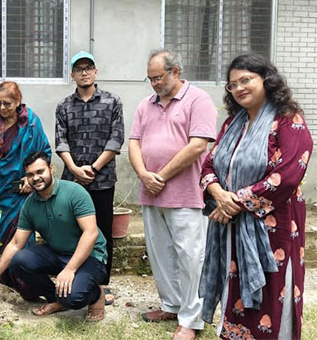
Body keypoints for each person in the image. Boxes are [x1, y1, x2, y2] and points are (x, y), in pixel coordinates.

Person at [199, 54, 312, 340]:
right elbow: (209, 165)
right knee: (233, 287)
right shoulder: (232, 124)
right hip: (231, 231)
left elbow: (286, 175)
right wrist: (218, 194)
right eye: (232, 84)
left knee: (271, 293)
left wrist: (233, 202)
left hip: (273, 230)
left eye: (246, 80)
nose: (239, 88)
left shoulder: (288, 121)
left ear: (266, 79)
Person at [128, 49, 217, 340]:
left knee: (191, 257)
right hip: (151, 194)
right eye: (150, 78)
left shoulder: (198, 100)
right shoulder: (145, 104)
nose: (154, 83)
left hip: (187, 194)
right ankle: (171, 304)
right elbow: (134, 143)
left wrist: (161, 176)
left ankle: (191, 319)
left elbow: (197, 146)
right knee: (160, 255)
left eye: (159, 77)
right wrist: (144, 175)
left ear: (175, 71)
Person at [0, 151, 108, 321]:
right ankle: (56, 299)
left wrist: (70, 270)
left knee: (73, 298)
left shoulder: (74, 192)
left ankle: (96, 295)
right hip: (58, 253)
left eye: (40, 172)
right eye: (30, 175)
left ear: (51, 169)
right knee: (20, 260)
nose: (36, 178)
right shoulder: (30, 205)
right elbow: (16, 244)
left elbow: (91, 233)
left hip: (90, 256)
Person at [0, 81, 51, 298]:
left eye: (7, 103)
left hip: (23, 194)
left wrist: (29, 178)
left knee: (22, 238)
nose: (2, 108)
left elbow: (44, 152)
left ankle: (24, 286)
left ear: (18, 101)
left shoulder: (31, 123)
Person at [55, 51, 124, 305]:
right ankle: (75, 277)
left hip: (102, 179)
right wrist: (74, 169)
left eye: (88, 67)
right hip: (72, 183)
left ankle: (103, 284)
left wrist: (92, 168)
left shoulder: (112, 102)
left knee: (103, 230)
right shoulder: (64, 106)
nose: (84, 72)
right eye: (79, 68)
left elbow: (116, 139)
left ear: (96, 72)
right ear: (72, 75)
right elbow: (60, 141)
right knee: (73, 230)